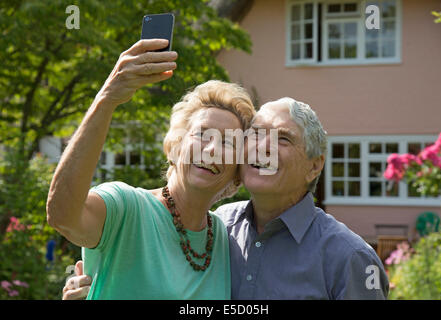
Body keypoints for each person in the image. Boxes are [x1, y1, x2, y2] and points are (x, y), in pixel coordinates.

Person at [62, 96, 389, 300]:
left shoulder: (349, 258)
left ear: (314, 166)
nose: (264, 147)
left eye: (284, 139)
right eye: (255, 135)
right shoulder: (220, 227)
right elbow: (69, 215)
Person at [47, 38, 256, 299]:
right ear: (176, 145)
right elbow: (62, 215)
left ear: (236, 171)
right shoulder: (127, 208)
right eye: (202, 134)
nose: (212, 148)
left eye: (227, 142)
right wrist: (107, 98)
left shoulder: (225, 239)